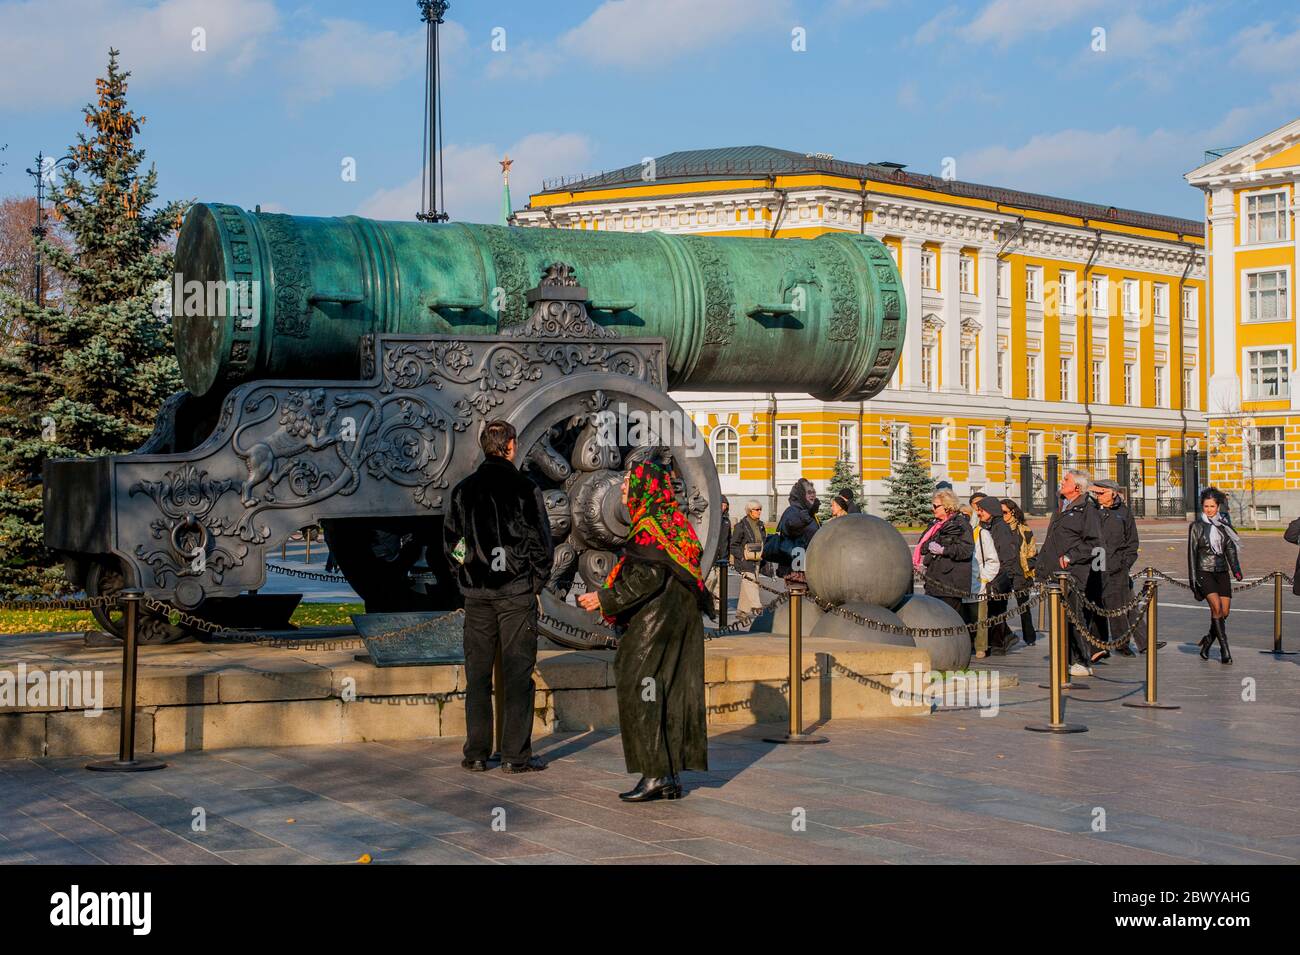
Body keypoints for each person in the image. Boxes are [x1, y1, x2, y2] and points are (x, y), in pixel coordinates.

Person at [577, 459, 710, 802]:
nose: (622, 490)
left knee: (642, 688)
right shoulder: (676, 523)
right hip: (680, 621)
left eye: (627, 485)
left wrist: (603, 598)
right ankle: (669, 775)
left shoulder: (650, 527)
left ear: (643, 490)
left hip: (654, 623)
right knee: (668, 692)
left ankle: (654, 774)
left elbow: (647, 578)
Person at [443, 419, 554, 774]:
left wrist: (465, 571)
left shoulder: (464, 490)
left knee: (477, 675)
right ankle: (514, 755)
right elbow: (541, 543)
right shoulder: (525, 488)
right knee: (517, 674)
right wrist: (534, 580)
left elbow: (453, 544)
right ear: (509, 446)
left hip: (478, 594)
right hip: (515, 592)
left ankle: (476, 752)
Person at [1033, 469, 1103, 676]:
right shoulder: (1061, 507)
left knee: (1074, 616)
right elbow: (1052, 541)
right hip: (1054, 572)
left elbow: (1095, 543)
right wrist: (1040, 566)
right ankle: (1064, 658)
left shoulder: (1087, 510)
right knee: (1059, 617)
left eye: (1066, 480)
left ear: (1077, 487)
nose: (1062, 482)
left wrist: (1071, 556)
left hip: (1072, 573)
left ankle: (1082, 659)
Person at [1090, 479, 1148, 655]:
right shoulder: (1093, 511)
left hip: (1119, 566)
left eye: (1102, 493)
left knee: (1126, 605)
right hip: (1098, 566)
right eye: (1096, 493)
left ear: (1113, 493)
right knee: (1117, 605)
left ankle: (1136, 643)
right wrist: (1095, 566)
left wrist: (1125, 563)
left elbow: (1132, 541)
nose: (1098, 496)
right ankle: (1124, 643)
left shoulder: (1123, 512)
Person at [1189, 487, 1242, 665]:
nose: (1209, 509)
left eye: (1212, 506)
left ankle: (1207, 641)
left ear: (1218, 506)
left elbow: (1230, 549)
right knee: (1216, 608)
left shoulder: (1224, 524)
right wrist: (1193, 581)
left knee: (1224, 612)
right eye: (1206, 506)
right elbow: (1191, 554)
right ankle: (1225, 649)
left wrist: (1236, 569)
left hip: (1221, 572)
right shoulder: (1196, 526)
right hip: (1204, 572)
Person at [916, 488, 974, 619]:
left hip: (950, 585)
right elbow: (923, 546)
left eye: (936, 506)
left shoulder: (961, 524)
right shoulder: (936, 525)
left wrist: (944, 550)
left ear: (947, 506)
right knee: (934, 620)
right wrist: (929, 546)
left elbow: (966, 550)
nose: (933, 509)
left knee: (950, 622)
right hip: (934, 582)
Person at [975, 496, 1019, 654]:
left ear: (991, 511)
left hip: (1000, 577)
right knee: (993, 611)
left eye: (982, 510)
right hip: (995, 575)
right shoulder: (990, 526)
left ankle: (998, 645)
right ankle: (1001, 640)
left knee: (997, 612)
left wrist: (1001, 576)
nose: (979, 513)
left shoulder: (1000, 528)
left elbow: (1005, 554)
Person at [1000, 499, 1037, 646]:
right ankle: (1003, 636)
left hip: (1020, 573)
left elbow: (1033, 552)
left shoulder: (1024, 530)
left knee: (1024, 607)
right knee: (1001, 606)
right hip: (1003, 573)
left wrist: (1027, 567)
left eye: (1005, 512)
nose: (1002, 516)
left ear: (1013, 511)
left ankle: (1030, 637)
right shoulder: (998, 529)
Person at [775, 478, 819, 582]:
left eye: (814, 492)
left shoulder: (808, 512)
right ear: (800, 495)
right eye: (809, 492)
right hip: (795, 569)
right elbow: (791, 528)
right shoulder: (792, 511)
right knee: (797, 596)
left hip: (807, 566)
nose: (813, 495)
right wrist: (807, 516)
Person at [730, 500, 768, 617]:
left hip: (756, 559)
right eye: (757, 509)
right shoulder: (741, 526)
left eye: (760, 509)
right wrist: (741, 557)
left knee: (747, 583)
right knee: (751, 583)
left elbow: (763, 541)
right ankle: (757, 606)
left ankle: (742, 611)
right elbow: (733, 545)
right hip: (745, 560)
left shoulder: (760, 525)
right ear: (749, 511)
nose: (759, 512)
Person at [705, 496, 732, 609]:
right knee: (710, 579)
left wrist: (729, 556)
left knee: (720, 584)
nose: (723, 507)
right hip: (711, 557)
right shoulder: (711, 520)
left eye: (725, 505)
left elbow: (728, 539)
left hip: (723, 556)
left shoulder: (726, 521)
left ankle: (718, 606)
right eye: (722, 504)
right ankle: (706, 600)